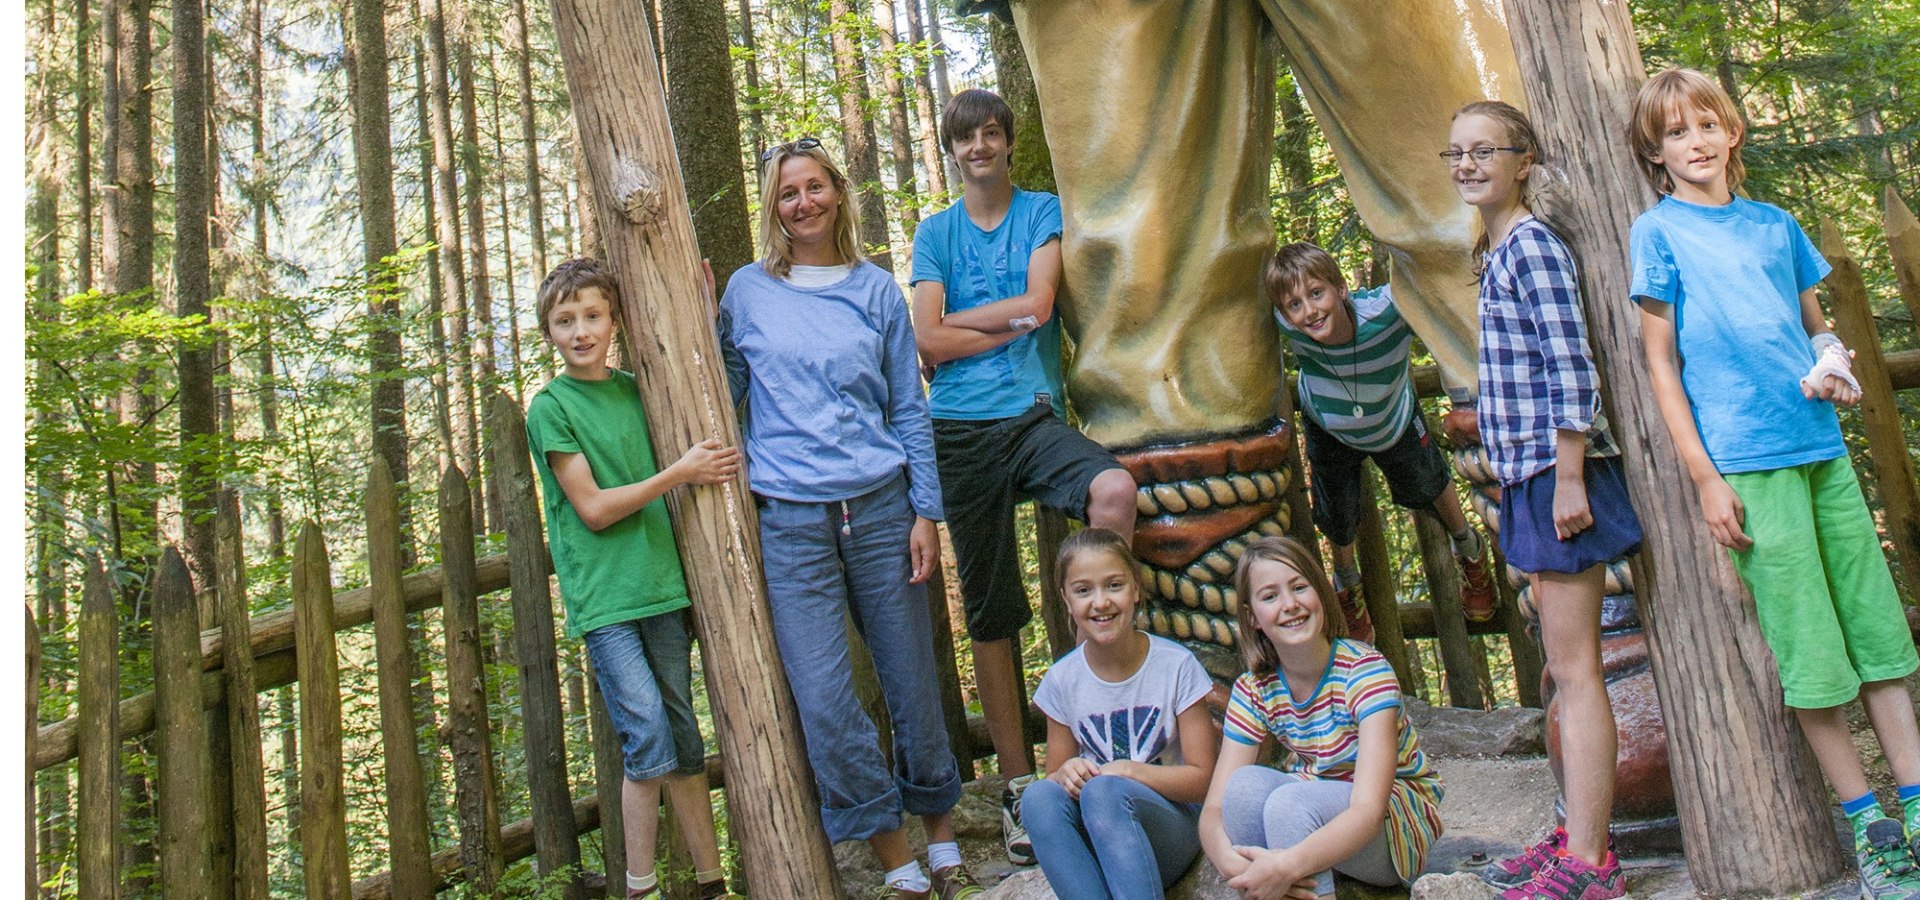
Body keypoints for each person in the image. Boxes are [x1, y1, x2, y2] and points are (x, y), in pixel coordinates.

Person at [1627, 68, 1920, 899]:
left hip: (1821, 449)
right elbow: (1659, 364)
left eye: (1706, 124)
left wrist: (1834, 366)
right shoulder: (1659, 235)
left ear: (1732, 132)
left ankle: (1918, 801)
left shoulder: (1775, 225)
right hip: (1748, 464)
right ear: (1656, 153)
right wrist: (1706, 481)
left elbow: (1817, 327)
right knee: (1811, 653)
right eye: (1676, 133)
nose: (1696, 142)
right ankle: (1871, 824)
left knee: (1879, 639)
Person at [718, 138, 982, 900]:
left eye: (814, 187)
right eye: (786, 193)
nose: (802, 203)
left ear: (838, 193)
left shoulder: (874, 292)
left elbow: (908, 405)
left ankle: (940, 839)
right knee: (827, 702)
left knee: (913, 685)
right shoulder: (747, 291)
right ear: (772, 207)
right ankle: (891, 851)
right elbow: (723, 388)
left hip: (880, 510)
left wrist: (924, 512)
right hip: (792, 523)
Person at [909, 87, 1138, 866]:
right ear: (952, 150)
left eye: (991, 135)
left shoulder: (1040, 211)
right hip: (958, 432)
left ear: (1008, 143)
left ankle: (1104, 705)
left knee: (1113, 493)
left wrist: (960, 329)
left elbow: (1040, 304)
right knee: (991, 610)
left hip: (1034, 416)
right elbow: (923, 340)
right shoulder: (935, 231)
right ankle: (1017, 785)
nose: (979, 148)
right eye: (965, 138)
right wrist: (987, 325)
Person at [1448, 99, 1643, 900]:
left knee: (1577, 670)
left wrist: (1567, 477)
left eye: (1484, 150)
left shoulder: (1529, 246)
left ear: (1523, 161)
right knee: (1564, 672)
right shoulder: (1494, 252)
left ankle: (1592, 863)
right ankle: (1575, 833)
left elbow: (1573, 369)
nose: (1466, 164)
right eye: (1455, 152)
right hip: (1530, 475)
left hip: (1561, 477)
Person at [524, 258, 738, 900]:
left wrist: (701, 299)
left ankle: (710, 883)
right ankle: (639, 887)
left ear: (615, 322)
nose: (581, 330)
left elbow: (700, 373)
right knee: (645, 735)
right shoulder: (551, 408)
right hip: (608, 601)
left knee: (683, 734)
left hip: (664, 587)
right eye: (566, 320)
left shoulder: (639, 390)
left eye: (593, 316)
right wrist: (681, 472)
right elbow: (592, 509)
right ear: (549, 332)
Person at [1267, 242, 1498, 642]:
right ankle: (1346, 583)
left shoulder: (1389, 312)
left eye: (1316, 293)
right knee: (1336, 516)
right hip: (1329, 426)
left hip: (1393, 418)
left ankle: (1469, 549)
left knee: (1430, 483)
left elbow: (1437, 298)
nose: (1308, 311)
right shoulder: (1286, 325)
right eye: (1294, 304)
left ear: (1341, 289)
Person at [1198, 537, 1443, 900]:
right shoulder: (1255, 688)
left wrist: (1286, 866)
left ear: (1321, 592)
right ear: (1253, 618)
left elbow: (1367, 810)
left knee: (1290, 804)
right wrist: (1239, 869)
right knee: (1243, 787)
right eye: (1270, 596)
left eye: (1299, 587)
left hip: (1393, 824)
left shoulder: (1364, 671)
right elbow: (1214, 809)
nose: (1290, 604)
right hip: (1318, 803)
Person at [1022, 528, 1217, 899]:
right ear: (1066, 599)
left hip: (1170, 828)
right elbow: (1055, 785)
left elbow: (1202, 780)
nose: (1101, 602)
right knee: (1037, 798)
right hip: (1100, 834)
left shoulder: (1176, 667)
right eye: (1083, 590)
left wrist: (1127, 771)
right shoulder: (1062, 680)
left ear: (1136, 589)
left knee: (1104, 792)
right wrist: (1066, 773)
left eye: (1114, 585)